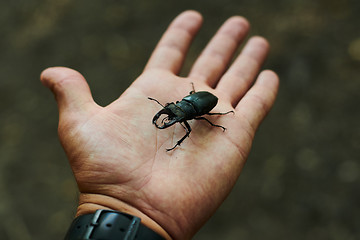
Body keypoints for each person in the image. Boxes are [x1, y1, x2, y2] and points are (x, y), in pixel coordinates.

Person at [40, 10, 279, 240]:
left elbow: (203, 113)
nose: (172, 116)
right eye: (173, 112)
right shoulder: (182, 105)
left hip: (202, 102)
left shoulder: (195, 113)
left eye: (176, 115)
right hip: (193, 100)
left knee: (205, 123)